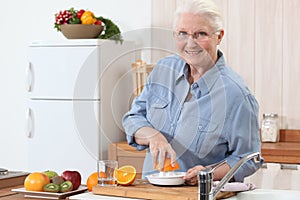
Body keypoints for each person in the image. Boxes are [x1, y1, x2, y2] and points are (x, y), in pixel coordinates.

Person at [122, 0, 263, 185]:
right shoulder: (163, 70)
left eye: (201, 34)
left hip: (197, 195)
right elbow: (133, 118)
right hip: (150, 192)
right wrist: (154, 137)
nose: (190, 43)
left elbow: (249, 158)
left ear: (219, 36)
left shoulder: (236, 95)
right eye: (183, 33)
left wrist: (208, 172)